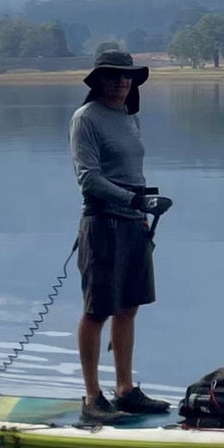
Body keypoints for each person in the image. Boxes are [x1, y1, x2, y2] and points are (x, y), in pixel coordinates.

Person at [70, 49, 164, 420]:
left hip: (133, 224)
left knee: (129, 306)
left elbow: (133, 173)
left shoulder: (129, 119)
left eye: (126, 77)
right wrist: (131, 199)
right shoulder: (85, 119)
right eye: (113, 76)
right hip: (102, 224)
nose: (121, 82)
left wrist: (145, 205)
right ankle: (93, 398)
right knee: (97, 310)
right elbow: (88, 177)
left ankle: (124, 389)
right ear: (98, 81)